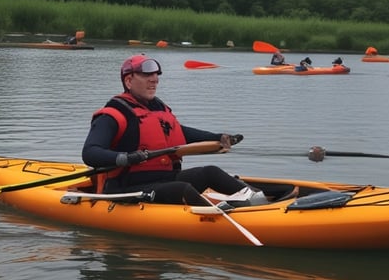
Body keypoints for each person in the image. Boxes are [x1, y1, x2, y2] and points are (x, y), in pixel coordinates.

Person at [82, 54, 266, 207]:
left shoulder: (158, 109)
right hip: (124, 188)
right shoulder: (112, 115)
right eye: (147, 75)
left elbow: (180, 133)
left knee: (210, 172)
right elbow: (90, 152)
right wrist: (125, 158)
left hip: (164, 178)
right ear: (129, 81)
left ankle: (261, 200)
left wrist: (218, 138)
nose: (154, 79)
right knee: (181, 189)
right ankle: (222, 217)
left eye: (156, 75)